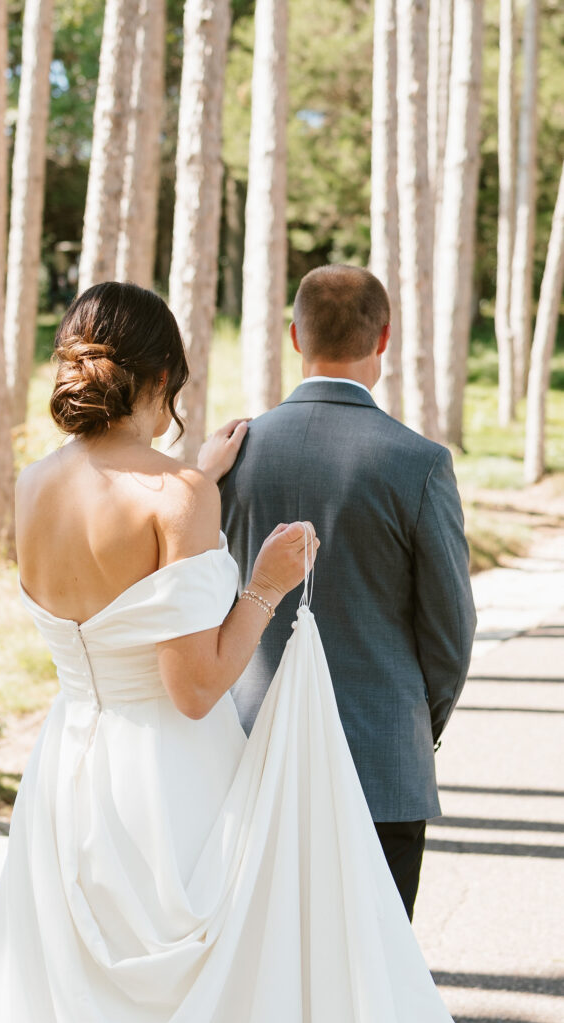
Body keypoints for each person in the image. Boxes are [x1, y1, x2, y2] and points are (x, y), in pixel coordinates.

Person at [0, 281, 454, 1022]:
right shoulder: (180, 495)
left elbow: (114, 571)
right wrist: (265, 584)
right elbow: (194, 689)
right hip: (166, 781)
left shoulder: (32, 485)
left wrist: (199, 476)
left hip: (66, 767)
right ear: (162, 377)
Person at [220, 263, 477, 921]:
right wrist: (421, 722)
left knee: (264, 977)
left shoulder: (232, 458)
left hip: (249, 756)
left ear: (292, 336)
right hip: (382, 759)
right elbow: (449, 629)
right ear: (383, 337)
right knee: (375, 980)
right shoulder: (417, 462)